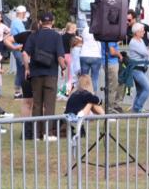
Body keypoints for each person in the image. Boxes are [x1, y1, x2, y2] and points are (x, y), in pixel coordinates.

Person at [22, 11, 67, 140]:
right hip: (51, 74)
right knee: (49, 104)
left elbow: (25, 54)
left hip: (36, 74)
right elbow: (60, 56)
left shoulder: (34, 36)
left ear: (40, 22)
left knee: (37, 104)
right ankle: (48, 133)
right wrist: (63, 68)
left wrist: (27, 68)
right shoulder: (56, 36)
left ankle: (36, 134)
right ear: (52, 22)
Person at [65, 74, 105, 138]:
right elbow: (98, 101)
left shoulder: (74, 93)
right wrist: (100, 101)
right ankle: (104, 115)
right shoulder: (86, 94)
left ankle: (104, 115)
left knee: (91, 101)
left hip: (67, 117)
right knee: (91, 102)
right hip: (76, 117)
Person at [126, 23, 149, 113]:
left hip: (141, 68)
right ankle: (138, 107)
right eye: (142, 30)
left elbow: (145, 51)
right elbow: (145, 53)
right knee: (148, 88)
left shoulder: (140, 40)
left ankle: (135, 109)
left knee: (140, 90)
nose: (144, 32)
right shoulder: (133, 42)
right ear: (136, 32)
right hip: (136, 69)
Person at [80, 28, 103, 93]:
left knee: (83, 77)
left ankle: (82, 94)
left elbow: (82, 40)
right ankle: (93, 95)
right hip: (96, 55)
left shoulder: (85, 29)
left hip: (84, 54)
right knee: (94, 78)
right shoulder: (99, 28)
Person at [104, 37, 123, 113]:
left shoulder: (109, 38)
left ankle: (111, 108)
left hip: (111, 63)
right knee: (112, 87)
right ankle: (109, 110)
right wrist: (119, 55)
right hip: (111, 63)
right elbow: (112, 51)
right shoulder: (110, 37)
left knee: (113, 86)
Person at [62, 22, 81, 94]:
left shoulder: (62, 36)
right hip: (70, 56)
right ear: (72, 28)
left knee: (65, 75)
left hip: (63, 56)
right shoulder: (74, 38)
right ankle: (68, 91)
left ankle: (65, 89)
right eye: (75, 28)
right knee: (71, 76)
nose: (76, 30)